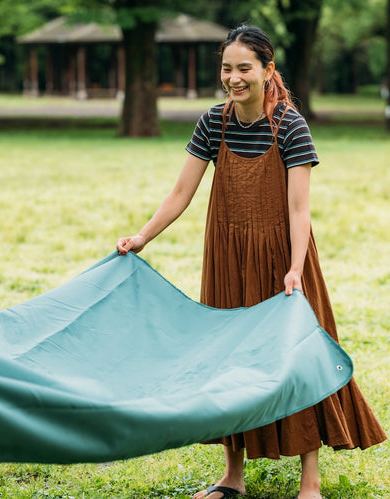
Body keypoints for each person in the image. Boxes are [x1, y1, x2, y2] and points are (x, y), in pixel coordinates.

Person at [117, 25, 386, 499]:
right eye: (227, 68)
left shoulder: (290, 125)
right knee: (230, 358)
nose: (234, 78)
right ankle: (232, 477)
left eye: (245, 68)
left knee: (298, 356)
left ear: (267, 70)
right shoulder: (213, 123)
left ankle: (311, 482)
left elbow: (299, 208)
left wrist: (296, 268)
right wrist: (143, 236)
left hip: (284, 258)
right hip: (227, 253)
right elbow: (182, 191)